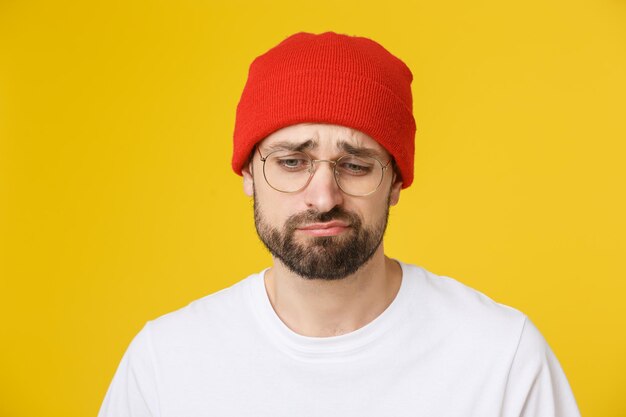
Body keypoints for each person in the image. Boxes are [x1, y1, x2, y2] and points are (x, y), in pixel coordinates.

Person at [98, 32, 581, 417]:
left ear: (395, 182)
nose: (323, 197)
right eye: (291, 162)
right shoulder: (166, 363)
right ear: (248, 174)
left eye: (355, 166)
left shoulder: (502, 359)